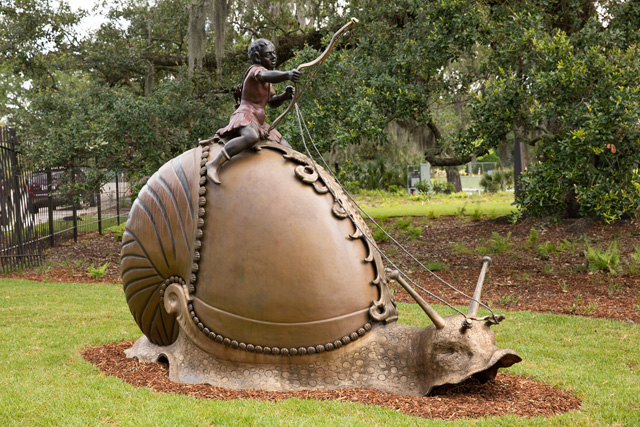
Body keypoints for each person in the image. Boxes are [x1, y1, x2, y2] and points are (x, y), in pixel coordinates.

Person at [207, 38, 301, 184]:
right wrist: (287, 75)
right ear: (257, 57)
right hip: (246, 115)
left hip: (260, 122)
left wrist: (285, 96)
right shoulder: (255, 71)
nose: (274, 57)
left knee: (286, 147)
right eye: (269, 54)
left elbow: (272, 102)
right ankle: (214, 163)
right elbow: (264, 75)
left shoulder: (268, 82)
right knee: (251, 137)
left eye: (274, 54)